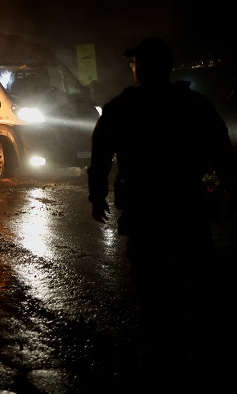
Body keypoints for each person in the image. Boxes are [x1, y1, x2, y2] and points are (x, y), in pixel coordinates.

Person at [87, 37, 237, 389]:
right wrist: (231, 189)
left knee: (152, 284)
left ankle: (159, 355)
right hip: (186, 208)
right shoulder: (193, 104)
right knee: (198, 278)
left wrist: (97, 196)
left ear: (141, 68)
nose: (135, 68)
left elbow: (100, 156)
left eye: (137, 63)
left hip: (147, 211)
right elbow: (222, 153)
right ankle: (202, 350)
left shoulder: (122, 107)